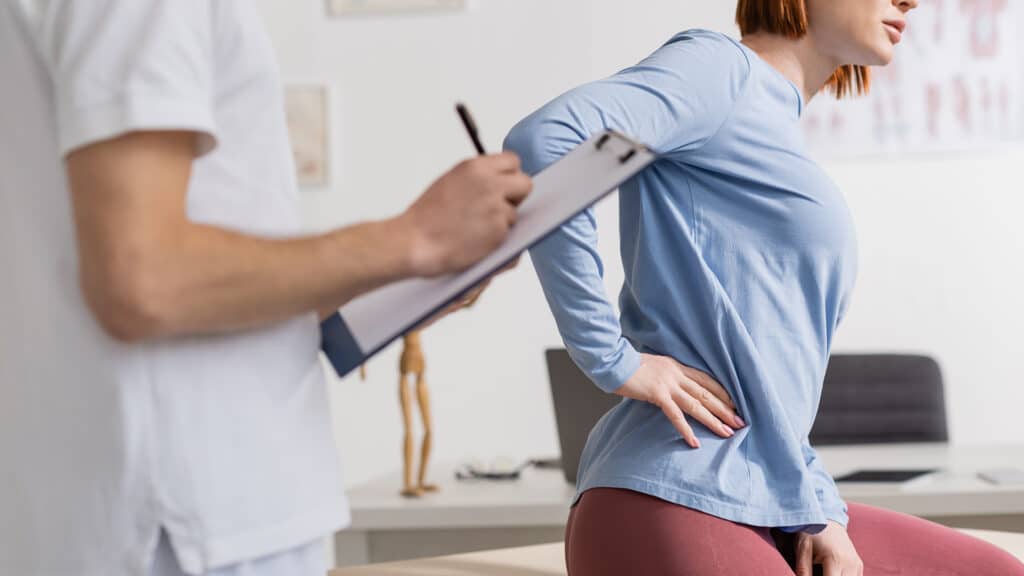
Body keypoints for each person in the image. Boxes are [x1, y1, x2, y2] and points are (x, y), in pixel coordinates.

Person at [0, 1, 531, 575]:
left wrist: (406, 273)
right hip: (191, 526)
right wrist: (414, 237)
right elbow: (143, 280)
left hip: (144, 517)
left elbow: (153, 278)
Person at [504, 0, 1024, 574]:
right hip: (670, 490)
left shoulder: (769, 123)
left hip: (772, 498)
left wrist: (816, 505)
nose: (910, 0)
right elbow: (544, 142)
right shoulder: (719, 70)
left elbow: (771, 378)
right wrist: (610, 358)